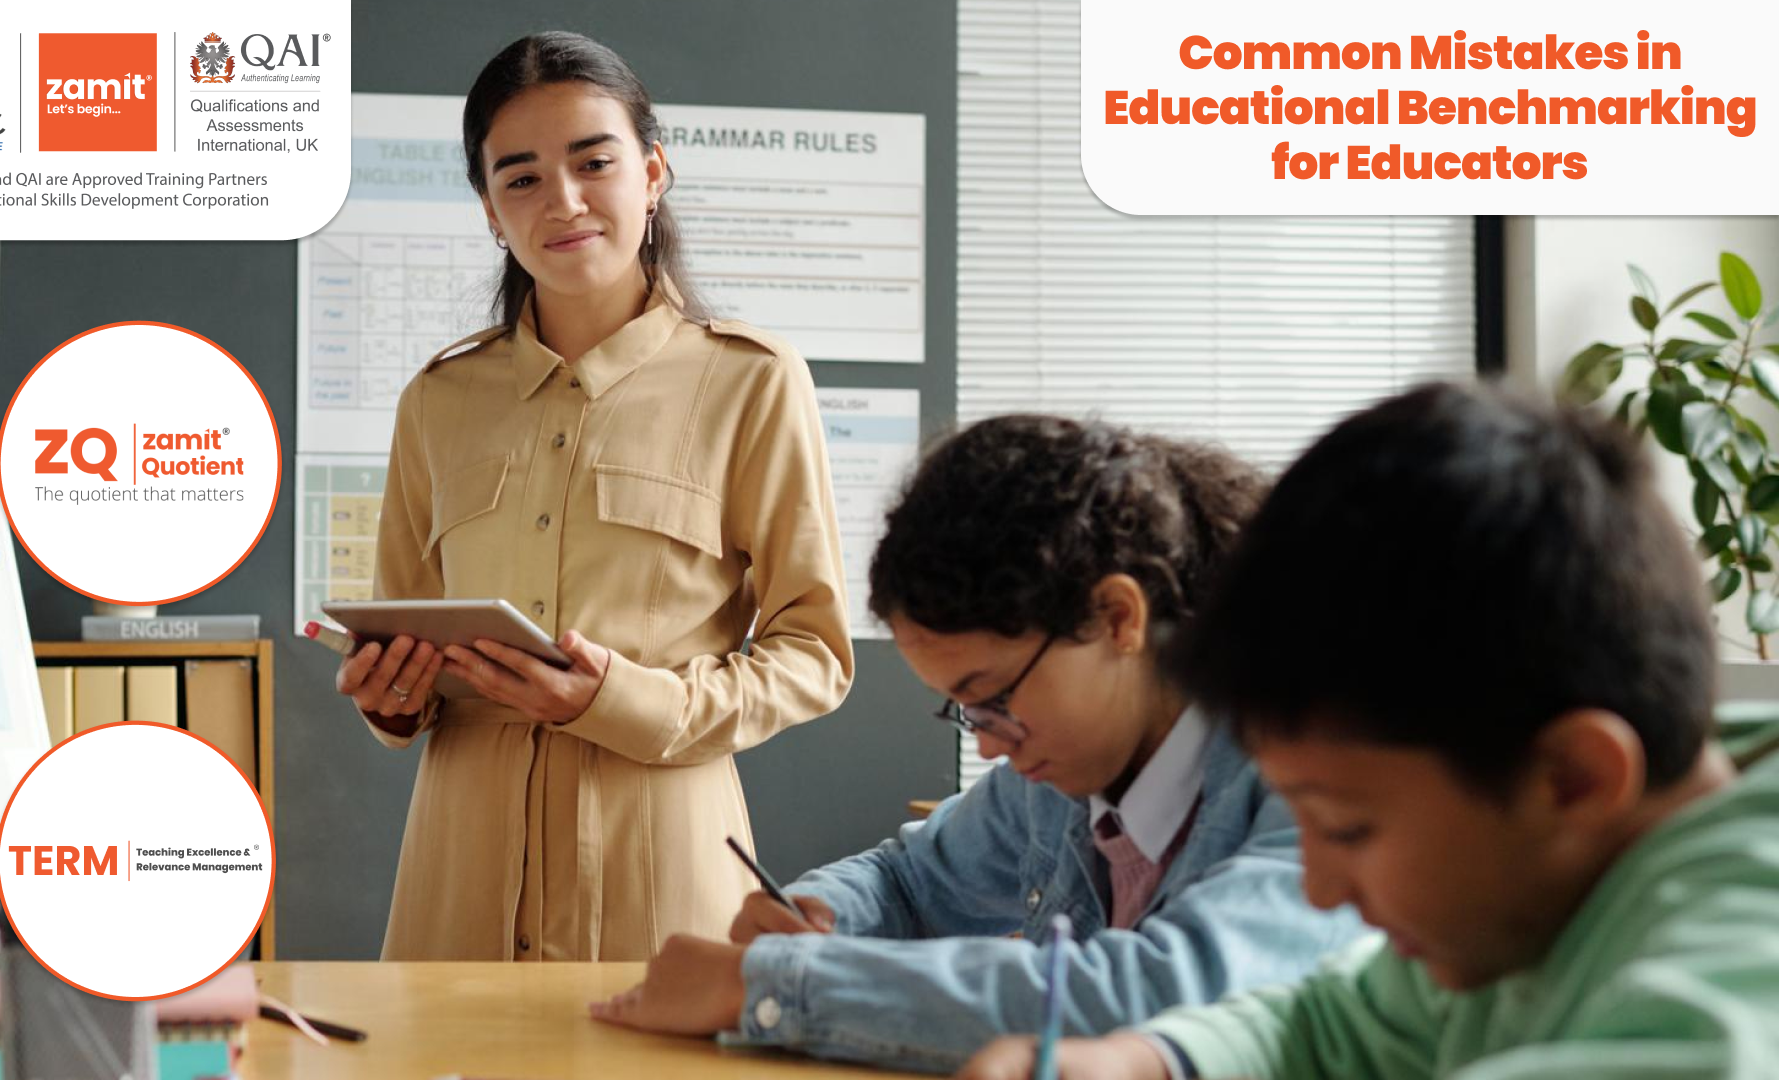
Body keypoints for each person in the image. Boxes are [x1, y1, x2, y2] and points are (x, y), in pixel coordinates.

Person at [957, 383, 1779, 1080]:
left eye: (1348, 826)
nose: (1319, 890)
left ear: (1574, 778)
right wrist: (1144, 1062)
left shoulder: (1732, 988)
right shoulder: (1520, 902)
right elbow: (1329, 1028)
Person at [590, 415, 1370, 1071]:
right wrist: (824, 912)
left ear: (1117, 619)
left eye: (995, 698)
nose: (992, 749)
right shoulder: (1058, 778)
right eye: (965, 711)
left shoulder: (1313, 773)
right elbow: (907, 882)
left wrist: (772, 986)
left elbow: (1160, 994)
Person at [332, 30, 853, 962]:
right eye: (521, 177)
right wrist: (392, 698)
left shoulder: (753, 380)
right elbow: (408, 634)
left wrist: (626, 701)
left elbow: (813, 654)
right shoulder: (438, 399)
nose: (563, 201)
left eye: (593, 162)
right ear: (490, 210)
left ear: (652, 174)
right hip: (460, 877)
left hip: (661, 868)